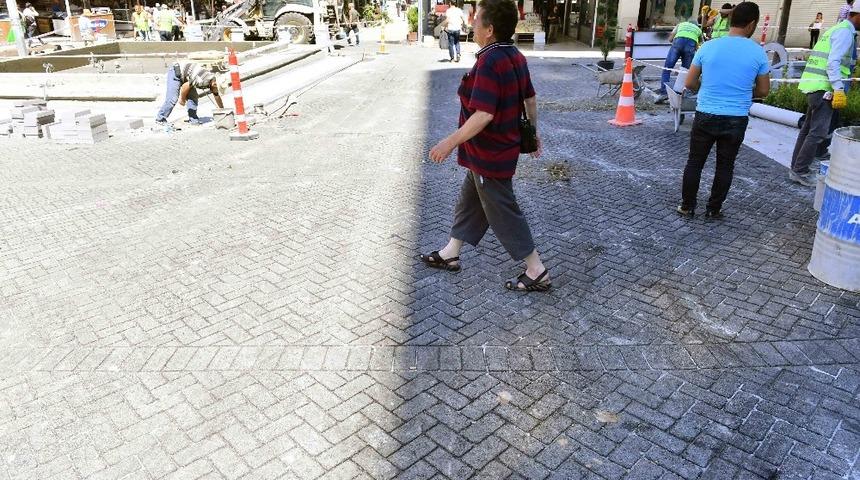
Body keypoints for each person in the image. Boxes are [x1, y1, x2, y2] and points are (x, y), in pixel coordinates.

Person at [424, 0, 551, 292]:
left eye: (477, 18)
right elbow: (530, 99)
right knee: (471, 199)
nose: (472, 23)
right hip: (494, 151)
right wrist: (532, 132)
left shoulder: (489, 61)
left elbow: (484, 113)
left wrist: (449, 142)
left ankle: (536, 269)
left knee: (502, 209)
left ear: (489, 29)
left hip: (490, 152)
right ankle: (451, 252)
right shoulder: (515, 55)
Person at [677, 2, 770, 219]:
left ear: (730, 20)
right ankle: (713, 209)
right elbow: (764, 91)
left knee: (695, 161)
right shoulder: (758, 52)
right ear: (752, 24)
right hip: (736, 117)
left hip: (706, 112)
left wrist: (707, 88)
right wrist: (743, 90)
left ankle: (687, 206)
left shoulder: (709, 47)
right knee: (725, 165)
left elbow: (689, 82)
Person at [789, 4, 860, 187]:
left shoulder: (836, 29)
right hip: (825, 88)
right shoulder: (845, 33)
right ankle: (800, 171)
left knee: (807, 130)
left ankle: (796, 168)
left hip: (814, 86)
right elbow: (833, 63)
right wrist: (838, 87)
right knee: (818, 132)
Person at [156, 61, 225, 125]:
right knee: (172, 99)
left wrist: (223, 111)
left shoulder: (213, 81)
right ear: (214, 84)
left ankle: (193, 119)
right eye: (217, 88)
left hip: (188, 77)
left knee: (193, 97)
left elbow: (217, 96)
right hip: (176, 72)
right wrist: (182, 99)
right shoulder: (202, 80)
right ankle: (160, 119)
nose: (216, 90)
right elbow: (185, 86)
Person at [655, 18, 702, 103]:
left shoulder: (681, 25)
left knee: (667, 69)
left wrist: (676, 46)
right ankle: (679, 94)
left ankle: (663, 93)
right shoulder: (698, 29)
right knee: (685, 72)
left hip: (678, 42)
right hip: (691, 46)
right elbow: (699, 47)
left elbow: (670, 39)